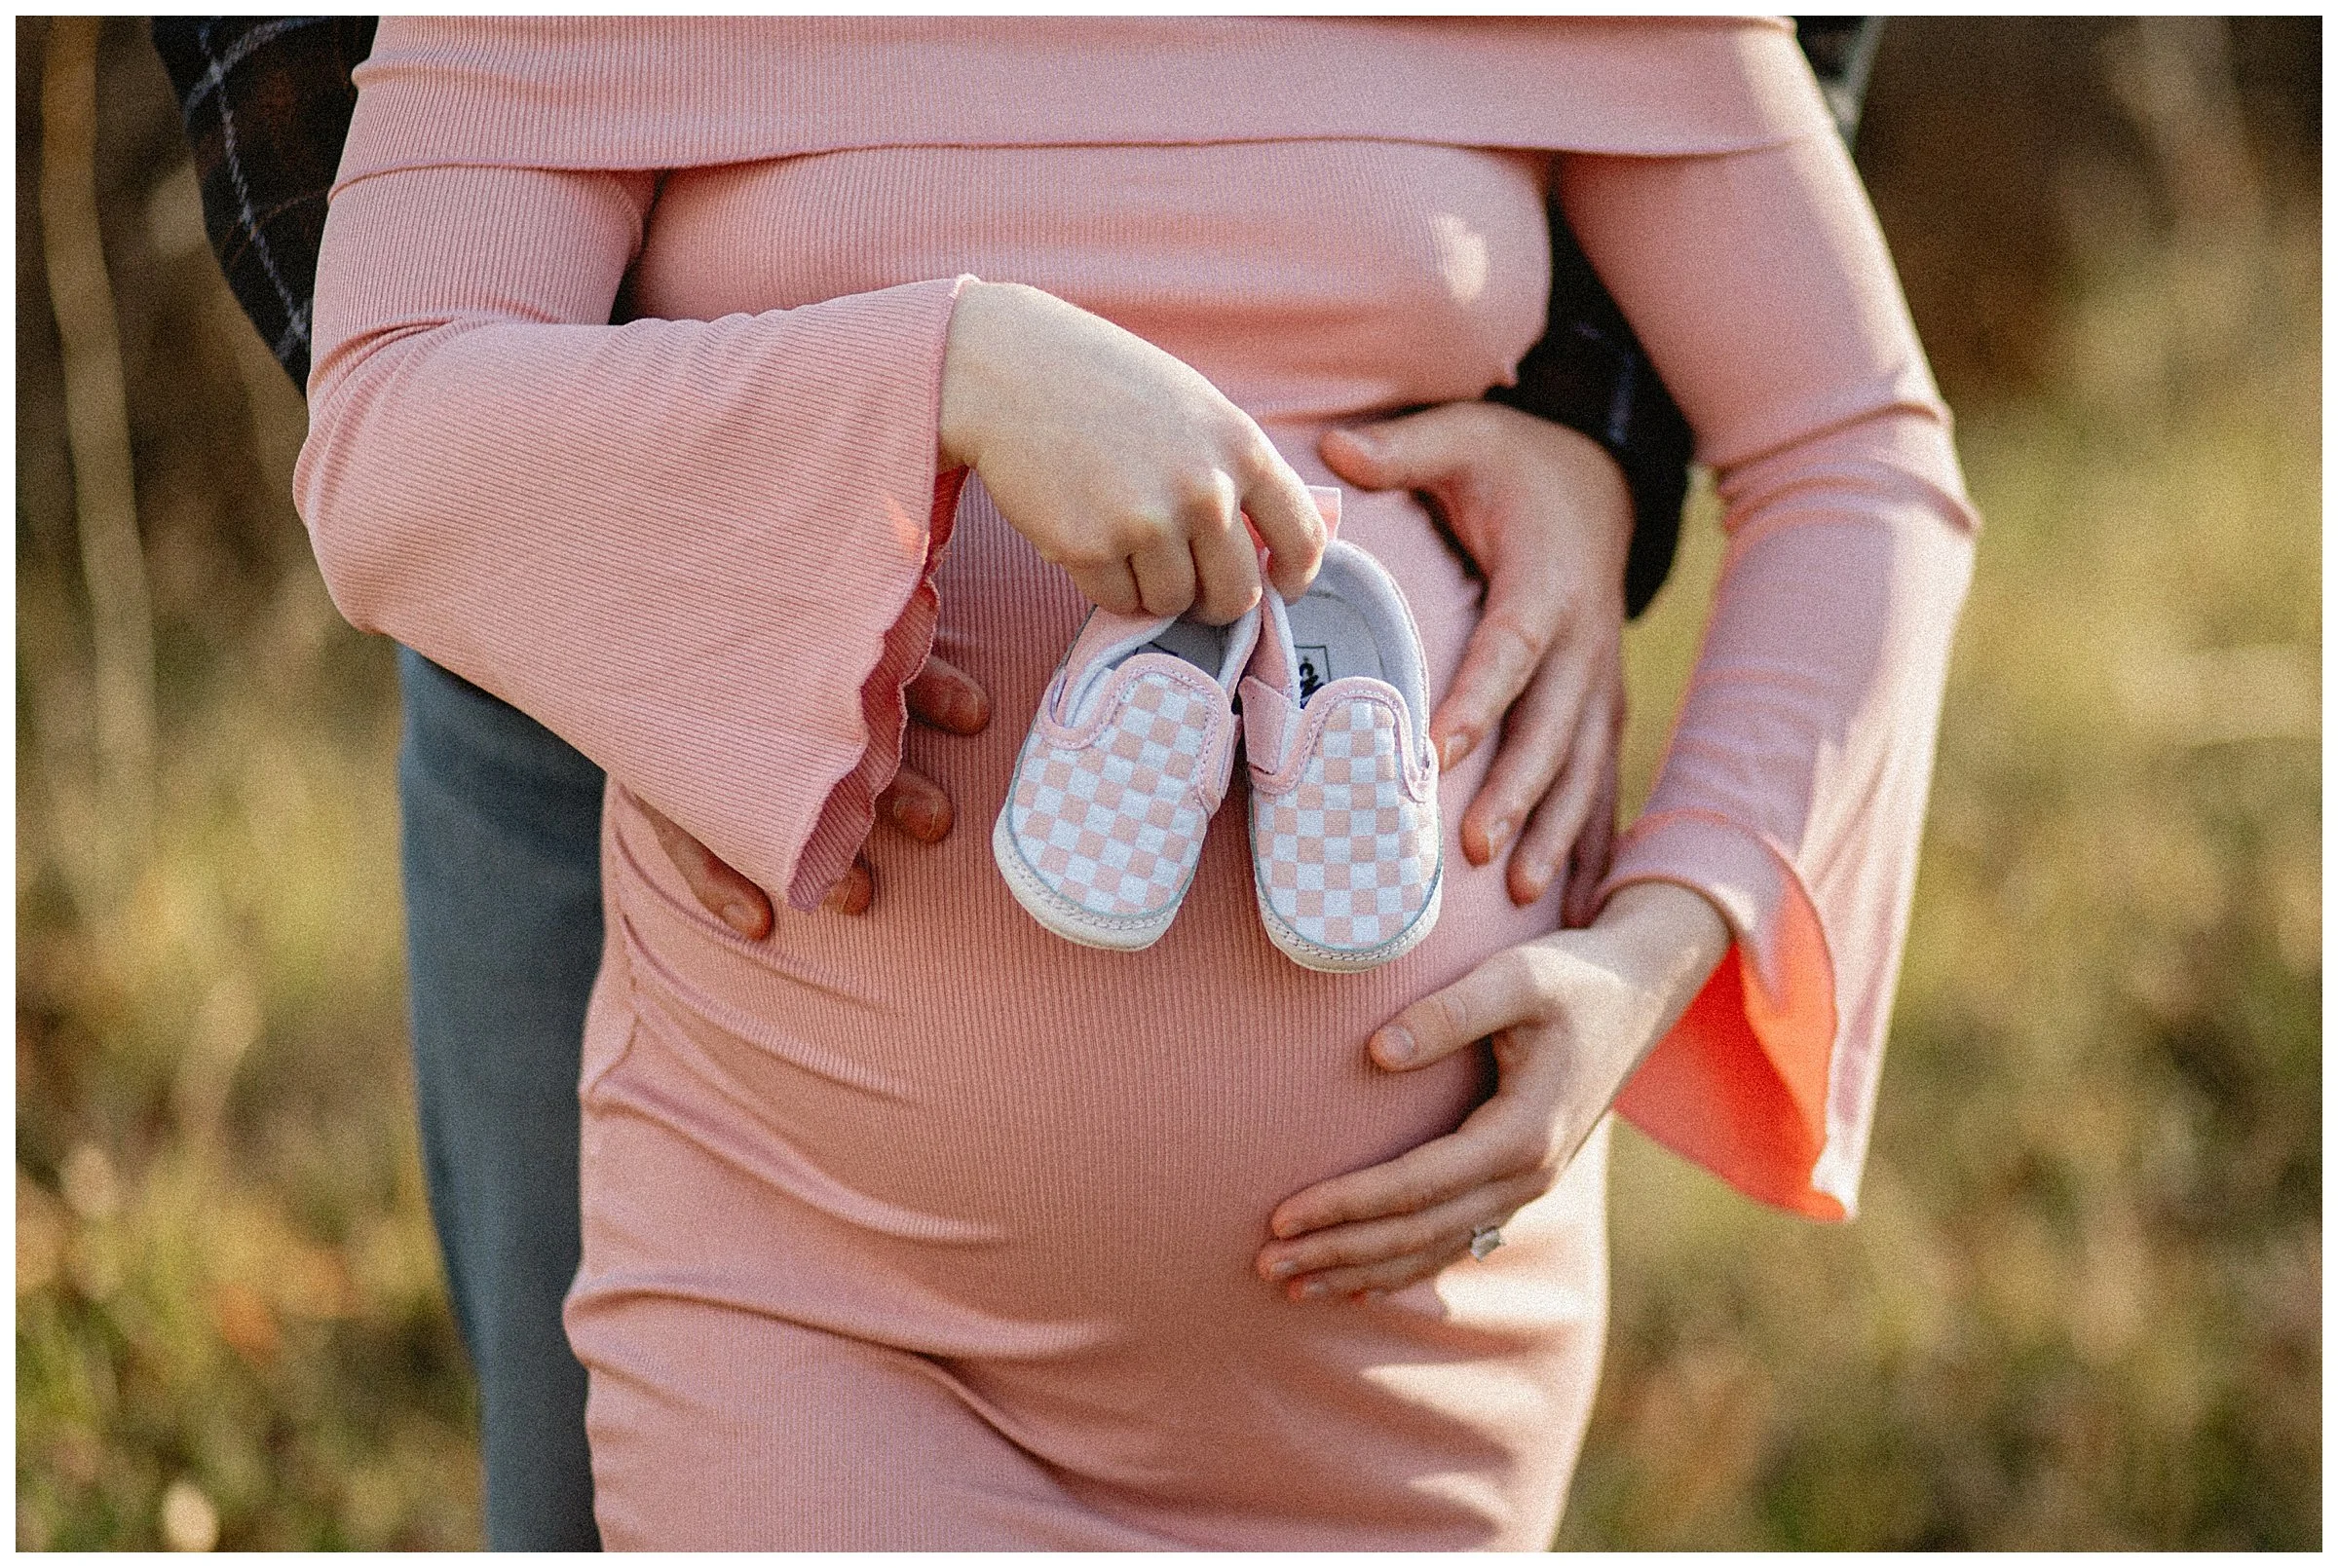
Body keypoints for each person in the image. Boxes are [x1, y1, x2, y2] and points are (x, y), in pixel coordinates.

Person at [155, 13, 1883, 1549]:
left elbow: (1854, 451)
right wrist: (949, 372)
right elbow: (392, 438)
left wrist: (1663, 943)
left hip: (1406, 1374)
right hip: (821, 1311)